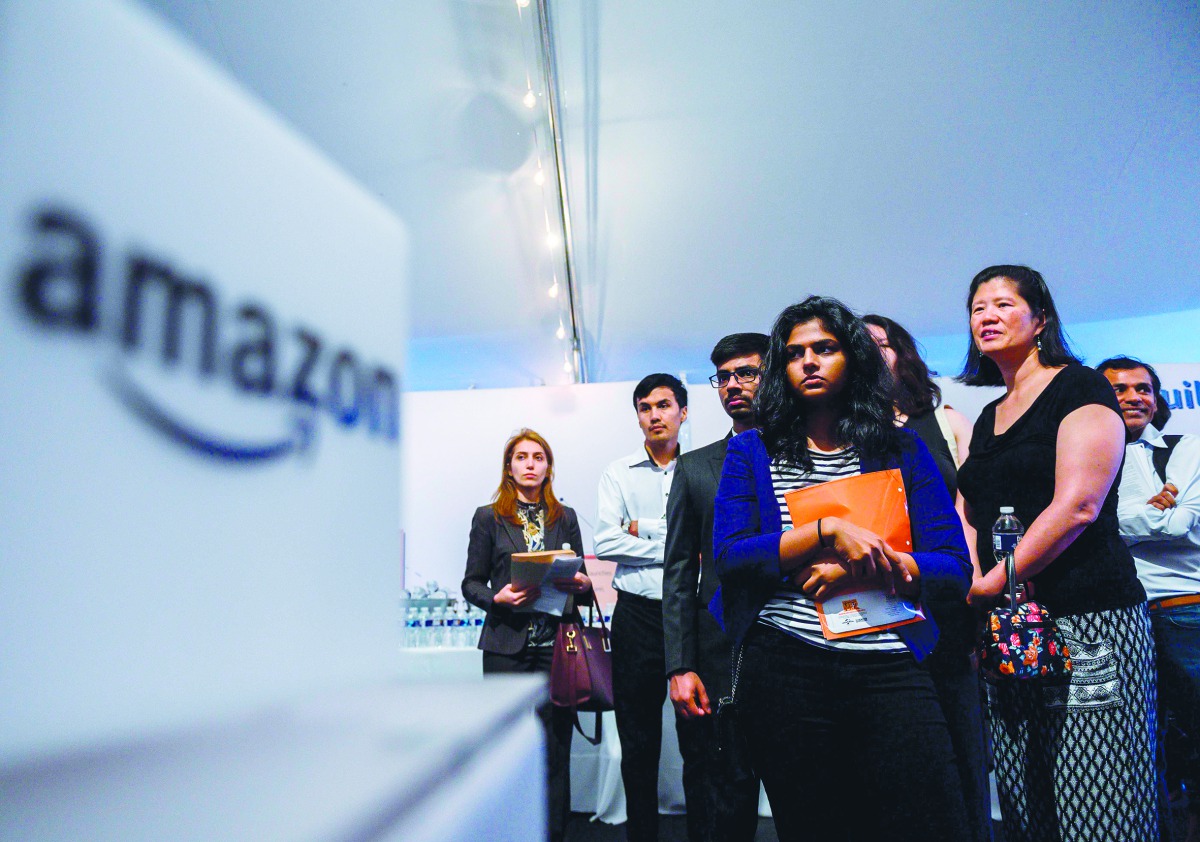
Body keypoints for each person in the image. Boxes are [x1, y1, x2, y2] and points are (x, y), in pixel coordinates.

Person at [713, 296, 972, 841]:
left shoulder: (900, 447)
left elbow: (952, 566)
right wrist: (825, 533)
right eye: (795, 353)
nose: (808, 361)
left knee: (931, 821)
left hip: (889, 660)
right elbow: (732, 557)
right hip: (786, 665)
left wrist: (862, 569)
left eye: (824, 349)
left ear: (852, 358)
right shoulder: (753, 452)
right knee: (814, 827)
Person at [956, 266, 1157, 841]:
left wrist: (996, 580)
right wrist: (976, 578)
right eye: (976, 308)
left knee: (1098, 793)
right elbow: (971, 508)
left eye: (1002, 304)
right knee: (1025, 792)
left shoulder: (1081, 388)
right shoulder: (992, 414)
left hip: (1089, 617)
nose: (987, 317)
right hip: (1012, 624)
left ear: (1041, 318)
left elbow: (1078, 507)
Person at [863, 312, 991, 842]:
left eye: (881, 344)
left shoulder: (946, 421)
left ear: (903, 353)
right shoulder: (838, 430)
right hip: (871, 604)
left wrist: (979, 588)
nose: (872, 353)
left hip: (943, 596)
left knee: (962, 742)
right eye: (859, 344)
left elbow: (973, 515)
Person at [462, 429, 591, 842]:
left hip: (557, 648)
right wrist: (497, 598)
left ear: (548, 467)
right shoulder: (488, 516)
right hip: (506, 647)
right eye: (522, 456)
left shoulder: (565, 516)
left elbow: (583, 576)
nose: (531, 463)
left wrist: (583, 585)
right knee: (507, 753)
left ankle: (554, 835)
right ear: (510, 467)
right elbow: (471, 583)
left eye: (539, 456)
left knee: (556, 751)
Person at [663, 333, 767, 842]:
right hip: (717, 656)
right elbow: (679, 571)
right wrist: (680, 665)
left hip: (803, 651)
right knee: (722, 802)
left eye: (747, 372)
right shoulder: (695, 466)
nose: (732, 385)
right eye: (723, 377)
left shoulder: (811, 454)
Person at [1100, 355, 1200, 841]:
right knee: (1129, 749)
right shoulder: (1082, 461)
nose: (1133, 397)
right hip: (1113, 617)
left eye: (1143, 389)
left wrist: (1131, 520)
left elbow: (1184, 527)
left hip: (1186, 610)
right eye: (1119, 389)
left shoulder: (1187, 450)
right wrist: (1158, 512)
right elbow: (1093, 527)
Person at [594, 374, 688, 842]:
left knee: (700, 738)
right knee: (637, 740)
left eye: (664, 405)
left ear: (682, 412)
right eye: (645, 407)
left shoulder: (701, 467)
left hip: (690, 616)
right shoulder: (618, 472)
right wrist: (673, 540)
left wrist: (641, 532)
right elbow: (605, 540)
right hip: (636, 615)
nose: (654, 414)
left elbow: (710, 541)